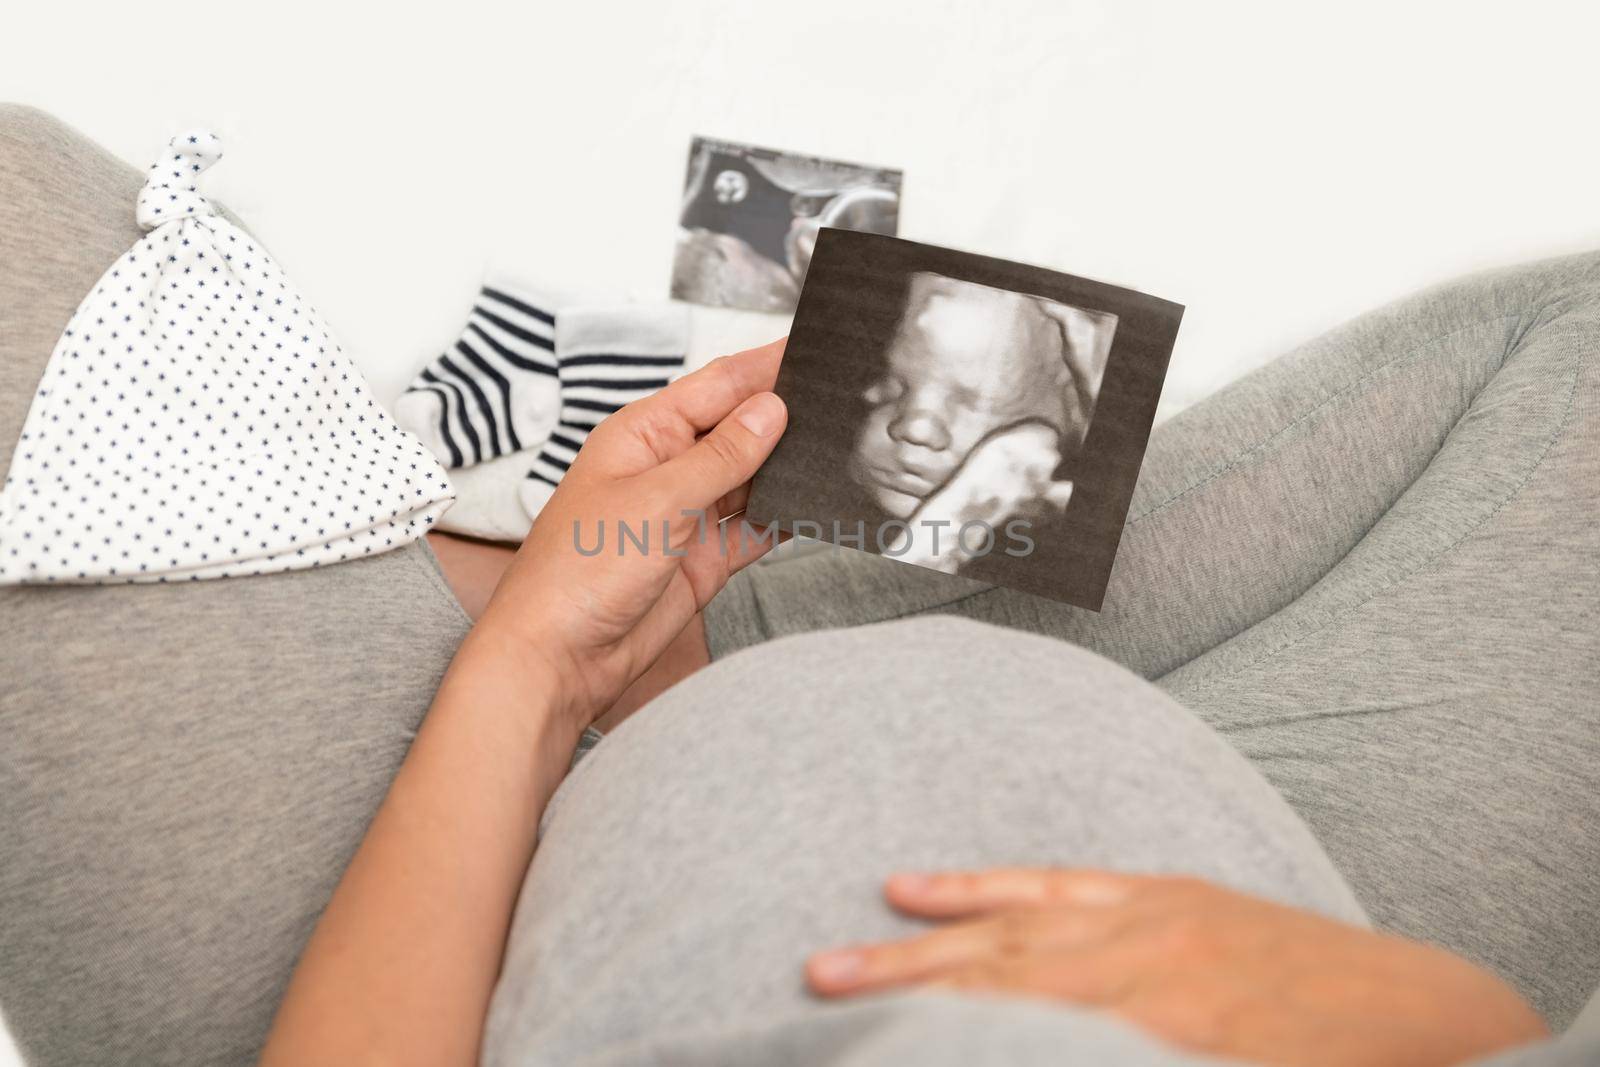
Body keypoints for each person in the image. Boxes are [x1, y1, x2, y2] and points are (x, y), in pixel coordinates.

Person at [2, 106, 1596, 1067]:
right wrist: (1440, 1023)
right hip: (1291, 890)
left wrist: (532, 679)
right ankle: (718, 627)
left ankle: (660, 655)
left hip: (436, 909)